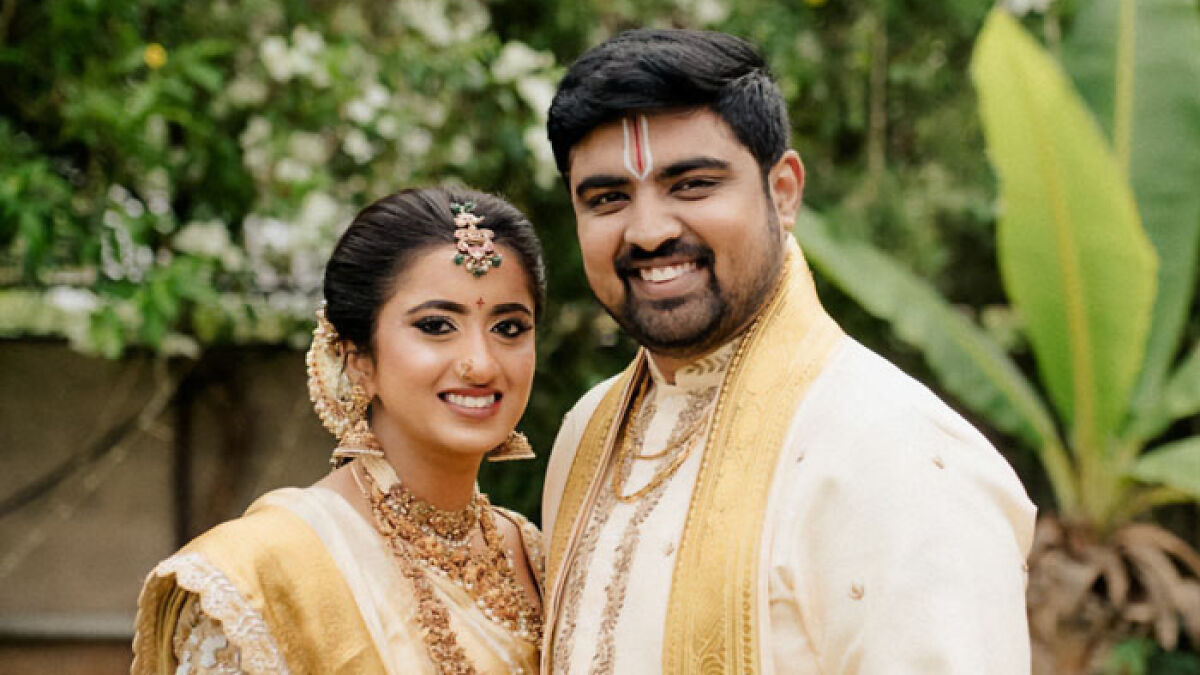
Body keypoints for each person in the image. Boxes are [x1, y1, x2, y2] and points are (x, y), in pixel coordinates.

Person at [540, 29, 1037, 673]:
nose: (649, 231)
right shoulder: (588, 432)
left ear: (783, 192)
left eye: (692, 185)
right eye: (608, 198)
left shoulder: (897, 451)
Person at [132, 187, 547, 674]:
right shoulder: (268, 573)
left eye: (509, 328)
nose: (481, 364)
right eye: (436, 326)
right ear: (357, 360)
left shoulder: (535, 555)